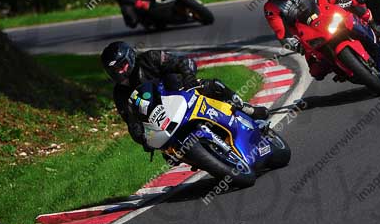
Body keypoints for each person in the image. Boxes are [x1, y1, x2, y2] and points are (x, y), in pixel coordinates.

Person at [101, 42, 269, 151]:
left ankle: (246, 108)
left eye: (122, 66)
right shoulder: (120, 93)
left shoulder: (150, 58)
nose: (120, 72)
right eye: (115, 70)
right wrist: (143, 139)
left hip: (180, 90)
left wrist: (188, 79)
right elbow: (132, 122)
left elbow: (180, 63)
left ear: (130, 58)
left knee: (212, 86)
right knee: (169, 154)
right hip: (162, 121)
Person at [261, 0, 380, 82]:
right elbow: (281, 33)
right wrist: (294, 44)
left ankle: (371, 23)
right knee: (316, 71)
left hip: (323, 12)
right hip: (305, 33)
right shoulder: (270, 8)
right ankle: (341, 70)